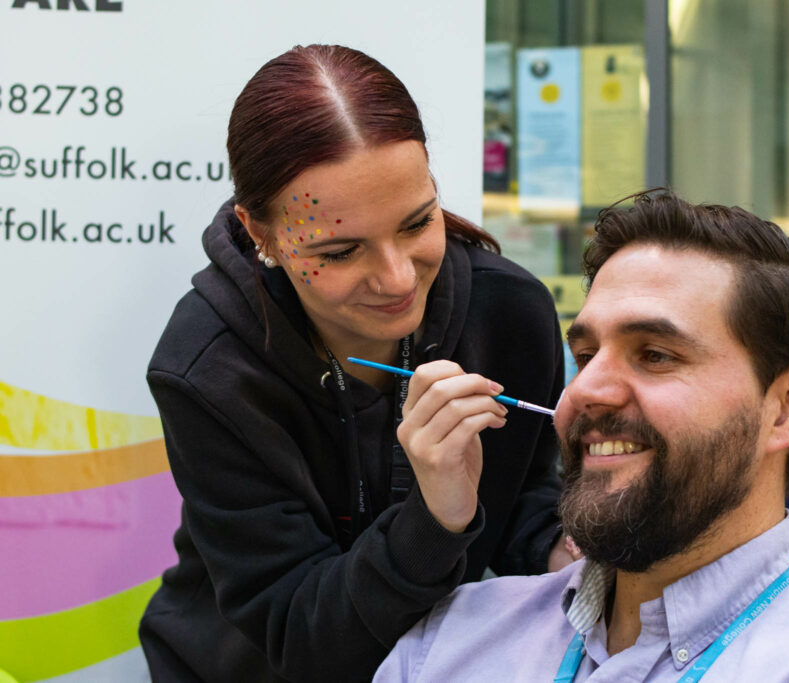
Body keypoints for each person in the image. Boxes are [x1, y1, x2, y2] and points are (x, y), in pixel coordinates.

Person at [375, 189, 789, 682]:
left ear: (788, 407)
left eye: (655, 355)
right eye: (586, 355)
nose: (585, 393)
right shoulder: (452, 642)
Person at [139, 45, 572, 683]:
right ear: (260, 235)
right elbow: (299, 636)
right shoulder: (210, 367)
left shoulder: (509, 312)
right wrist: (437, 515)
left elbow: (526, 493)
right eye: (341, 252)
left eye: (418, 222)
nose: (398, 279)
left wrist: (559, 546)